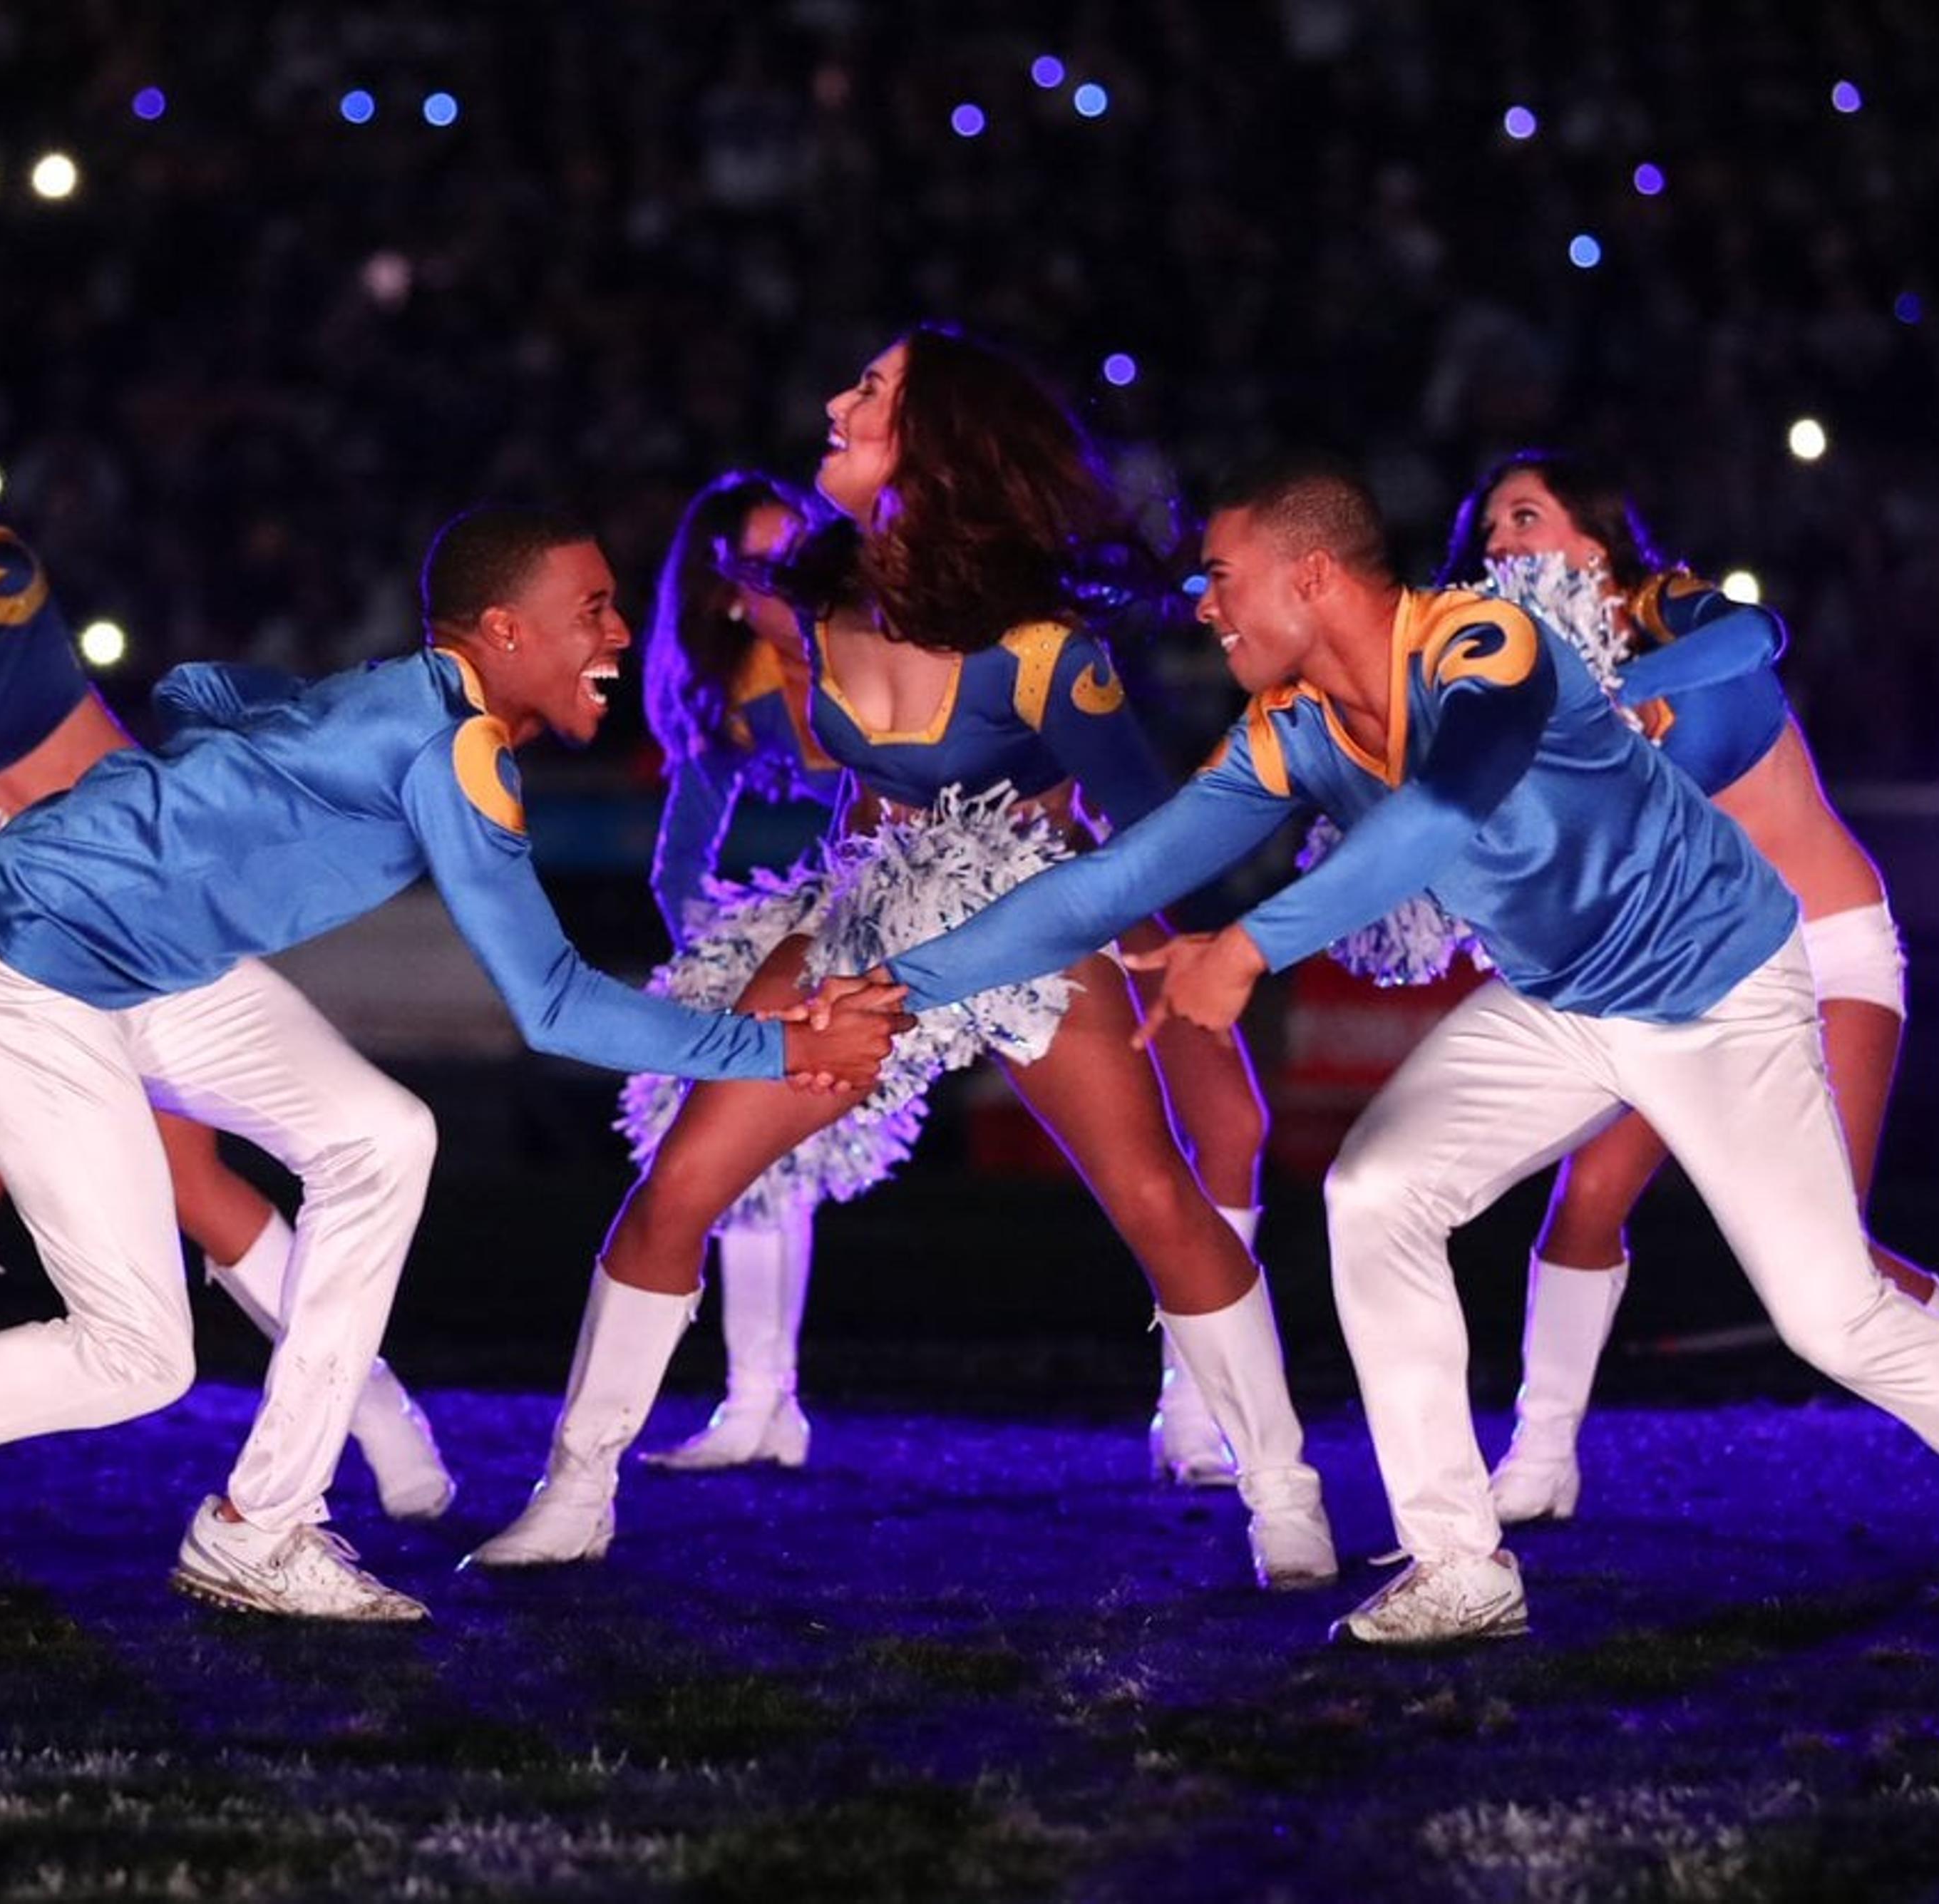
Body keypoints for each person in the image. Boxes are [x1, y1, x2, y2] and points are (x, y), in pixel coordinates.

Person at [881, 453, 1939, 1655]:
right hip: (1562, 1005)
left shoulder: (1489, 643)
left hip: (1717, 987)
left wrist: (1251, 948)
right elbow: (1114, 882)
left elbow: (1442, 809)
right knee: (1375, 1193)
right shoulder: (1287, 729)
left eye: (1220, 579)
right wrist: (899, 987)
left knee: (1835, 1315)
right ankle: (1461, 1565)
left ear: (1310, 575)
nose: (1203, 606)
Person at [0, 505, 907, 1627]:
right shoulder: (451, 751)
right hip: (24, 964)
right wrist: (786, 1043)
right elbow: (558, 1005)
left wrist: (231, 760)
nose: (623, 634)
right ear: (502, 637)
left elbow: (194, 690)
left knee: (381, 1135)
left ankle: (260, 1527)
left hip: (141, 966)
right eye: (593, 611)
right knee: (137, 1354)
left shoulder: (407, 697)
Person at [469, 328, 1317, 1586]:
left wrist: (1179, 947)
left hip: (1031, 913)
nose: (832, 400)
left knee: (1153, 1195)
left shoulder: (1042, 650)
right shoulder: (810, 601)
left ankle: (1282, 1498)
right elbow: (720, 692)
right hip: (864, 919)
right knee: (681, 1183)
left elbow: (1150, 828)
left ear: (938, 448)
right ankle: (574, 1492)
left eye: (869, 392)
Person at [0, 387, 451, 1519]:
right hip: (26, 923)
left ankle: (378, 1416)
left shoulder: (1, 577)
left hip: (138, 895)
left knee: (188, 1181)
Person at [1443, 451, 1939, 1524]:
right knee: (1588, 1200)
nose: (1499, 540)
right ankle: (1541, 1463)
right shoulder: (1503, 692)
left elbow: (1756, 637)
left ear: (1590, 539)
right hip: (1694, 972)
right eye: (1489, 525)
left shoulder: (1662, 611)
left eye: (1525, 515)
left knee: (1835, 1264)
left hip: (1827, 951)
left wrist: (1612, 697)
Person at [627, 470, 843, 1471]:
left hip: (949, 919)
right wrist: (716, 963)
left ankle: (1201, 1418)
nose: (795, 575)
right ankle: (762, 1407)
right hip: (821, 950)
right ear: (724, 591)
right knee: (755, 1157)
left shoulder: (881, 640)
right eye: (766, 564)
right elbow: (678, 865)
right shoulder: (741, 697)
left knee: (1143, 1141)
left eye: (804, 546)